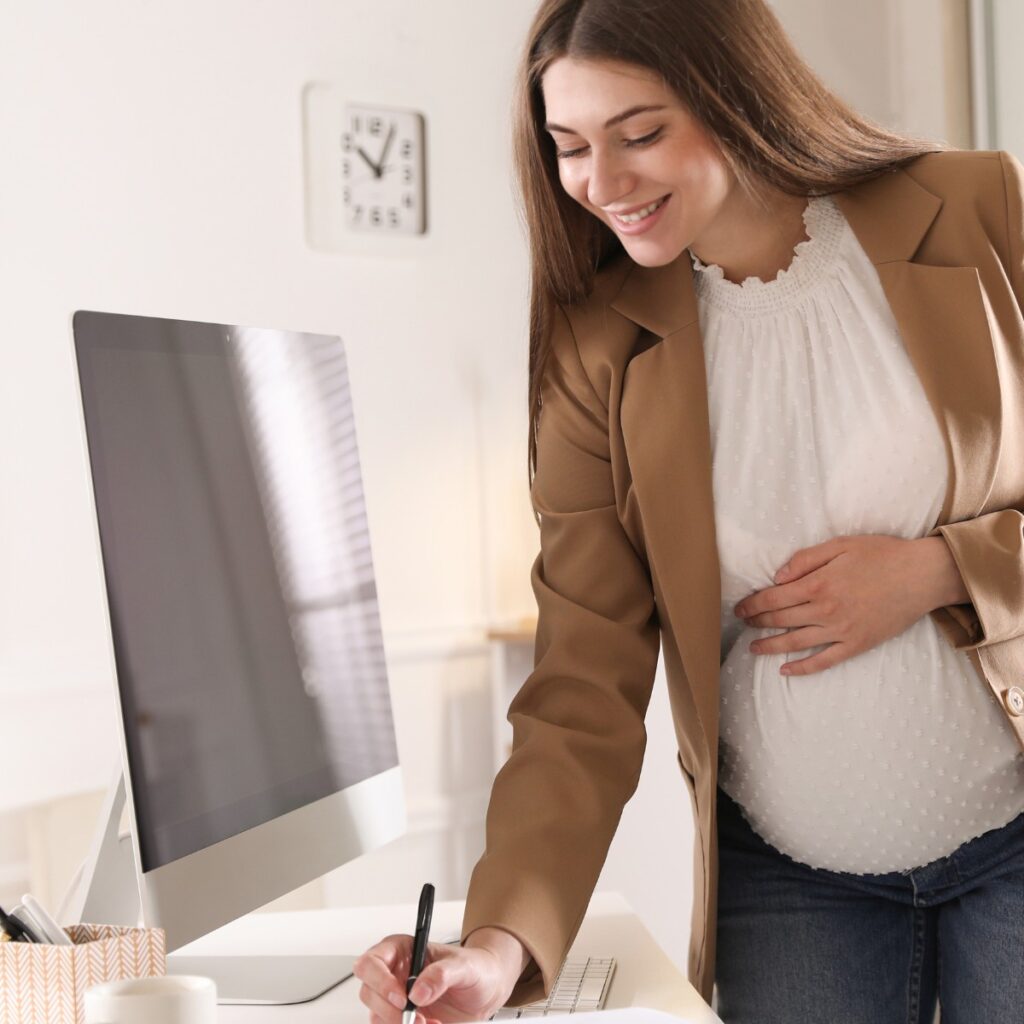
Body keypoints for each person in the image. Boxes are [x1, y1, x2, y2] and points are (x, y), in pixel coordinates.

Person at [353, 1, 1024, 1021]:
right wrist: (498, 944)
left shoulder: (975, 210)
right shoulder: (595, 352)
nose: (602, 184)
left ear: (737, 93)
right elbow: (582, 679)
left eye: (641, 133)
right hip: (795, 891)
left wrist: (942, 569)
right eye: (569, 146)